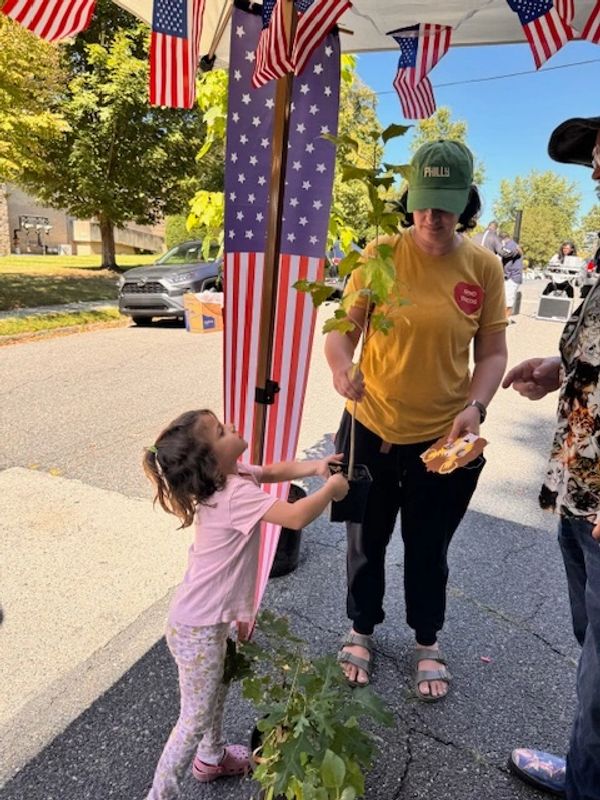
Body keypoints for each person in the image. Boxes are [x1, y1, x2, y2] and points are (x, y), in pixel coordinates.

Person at [325, 140, 508, 700]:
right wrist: (340, 367)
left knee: (429, 546)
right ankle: (361, 629)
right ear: (411, 199)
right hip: (370, 428)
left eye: (447, 204)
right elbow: (341, 332)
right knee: (366, 540)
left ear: (467, 203)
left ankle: (427, 640)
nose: (434, 216)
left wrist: (475, 406)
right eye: (425, 202)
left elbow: (493, 353)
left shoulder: (484, 267)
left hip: (443, 441)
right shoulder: (378, 253)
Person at [142, 408, 348, 799]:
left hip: (204, 620)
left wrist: (316, 465)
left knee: (217, 688)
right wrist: (330, 491)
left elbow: (273, 472)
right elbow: (295, 517)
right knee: (193, 716)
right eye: (221, 431)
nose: (232, 426)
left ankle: (212, 756)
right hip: (197, 628)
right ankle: (160, 794)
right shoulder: (234, 494)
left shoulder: (230, 478)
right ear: (210, 460)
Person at [505, 115, 600, 800]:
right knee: (589, 637)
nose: (594, 171)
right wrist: (557, 368)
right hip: (579, 488)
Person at [498, 230, 524, 319]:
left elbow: (505, 254)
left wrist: (496, 248)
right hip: (511, 276)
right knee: (506, 297)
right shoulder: (512, 245)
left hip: (512, 277)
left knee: (508, 298)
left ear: (502, 239)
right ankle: (504, 317)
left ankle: (506, 318)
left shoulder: (510, 246)